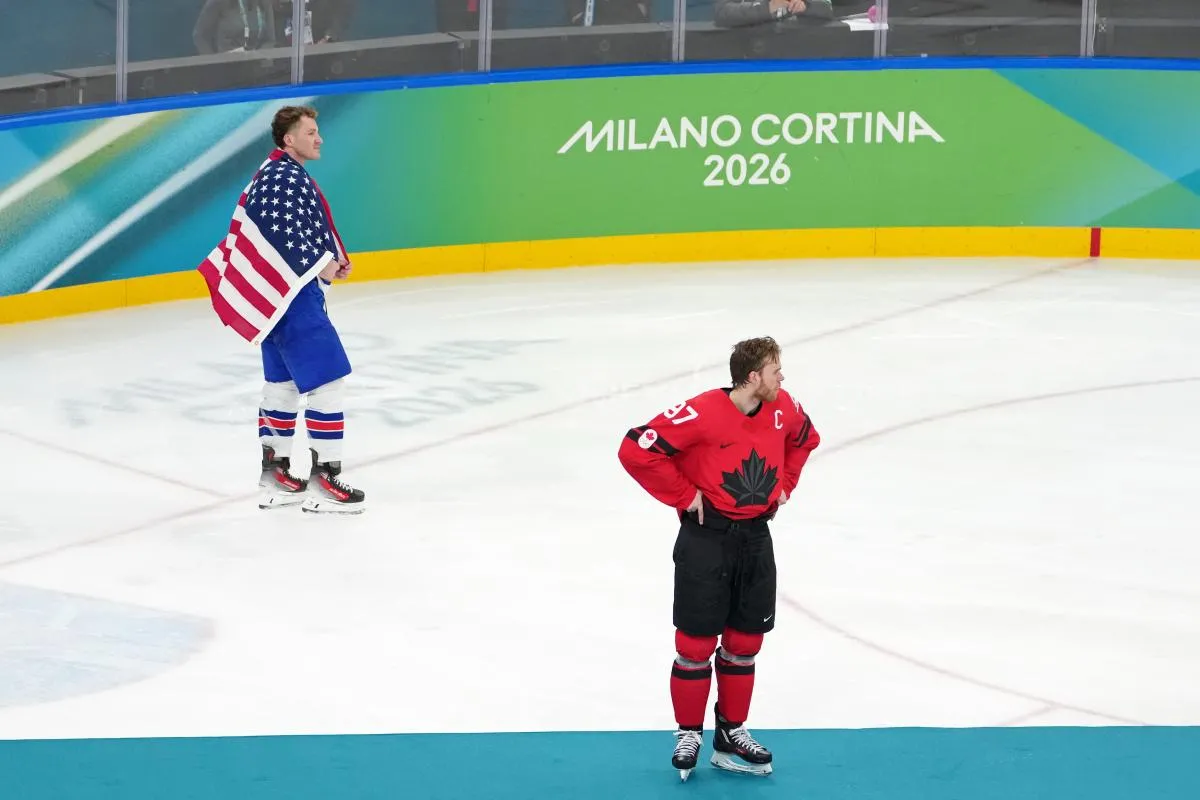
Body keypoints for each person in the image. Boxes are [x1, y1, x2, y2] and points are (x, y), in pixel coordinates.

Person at [617, 336, 820, 780]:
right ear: (752, 376)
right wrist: (684, 495)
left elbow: (806, 439)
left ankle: (731, 735)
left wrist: (786, 482)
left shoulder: (783, 406)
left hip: (755, 538)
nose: (781, 377)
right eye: (774, 369)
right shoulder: (702, 412)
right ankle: (689, 734)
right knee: (694, 646)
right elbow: (636, 449)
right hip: (706, 541)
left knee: (745, 643)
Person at [196, 104, 366, 514]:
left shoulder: (274, 173)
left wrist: (326, 259)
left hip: (276, 300)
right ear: (289, 139)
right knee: (327, 382)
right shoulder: (284, 176)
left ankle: (275, 477)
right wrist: (324, 262)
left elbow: (291, 231)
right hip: (291, 297)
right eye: (310, 132)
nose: (318, 138)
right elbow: (284, 237)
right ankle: (325, 481)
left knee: (282, 385)